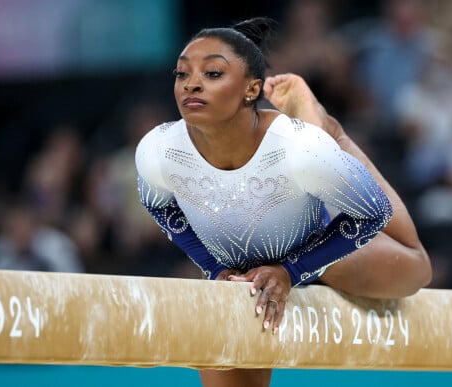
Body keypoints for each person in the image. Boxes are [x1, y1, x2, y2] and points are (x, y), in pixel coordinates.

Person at [134, 17, 431, 387]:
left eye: (212, 73)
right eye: (181, 74)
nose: (191, 83)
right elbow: (161, 207)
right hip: (248, 269)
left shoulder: (297, 149)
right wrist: (215, 269)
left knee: (414, 269)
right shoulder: (159, 151)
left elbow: (373, 213)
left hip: (322, 248)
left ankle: (330, 131)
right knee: (227, 329)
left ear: (251, 88)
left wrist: (292, 270)